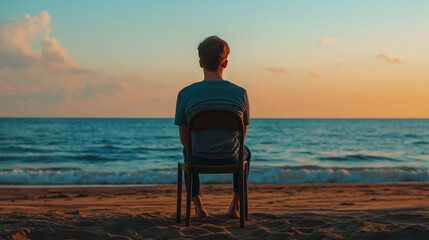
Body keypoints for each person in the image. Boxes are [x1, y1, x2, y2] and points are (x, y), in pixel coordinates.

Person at [174, 36, 251, 220]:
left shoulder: (185, 94)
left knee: (188, 151)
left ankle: (199, 208)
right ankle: (235, 207)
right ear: (225, 63)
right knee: (245, 152)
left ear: (200, 63)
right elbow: (242, 139)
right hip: (229, 157)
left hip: (197, 157)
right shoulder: (240, 93)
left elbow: (184, 140)